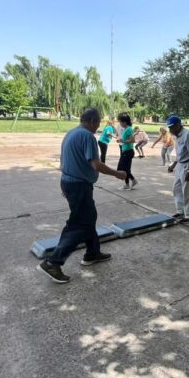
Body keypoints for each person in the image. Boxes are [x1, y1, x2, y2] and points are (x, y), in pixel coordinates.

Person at [38, 108, 127, 283]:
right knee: (81, 224)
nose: (98, 127)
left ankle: (92, 253)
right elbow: (96, 164)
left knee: (86, 218)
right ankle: (53, 262)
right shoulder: (87, 136)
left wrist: (66, 184)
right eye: (98, 123)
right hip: (79, 185)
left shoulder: (72, 133)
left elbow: (67, 161)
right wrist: (117, 173)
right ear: (93, 121)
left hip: (70, 182)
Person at [166, 114, 189, 222]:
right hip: (180, 164)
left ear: (178, 125)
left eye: (172, 127)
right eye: (169, 127)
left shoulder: (188, 135)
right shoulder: (176, 135)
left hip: (188, 165)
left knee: (187, 191)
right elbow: (179, 152)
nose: (170, 129)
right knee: (177, 189)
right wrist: (174, 164)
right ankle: (180, 211)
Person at [116, 112, 138, 190]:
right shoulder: (126, 129)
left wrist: (123, 141)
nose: (120, 123)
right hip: (125, 151)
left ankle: (129, 183)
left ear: (124, 122)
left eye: (120, 122)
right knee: (125, 168)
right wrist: (121, 141)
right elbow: (126, 139)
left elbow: (133, 140)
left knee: (122, 169)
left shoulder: (129, 129)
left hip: (128, 152)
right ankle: (130, 182)